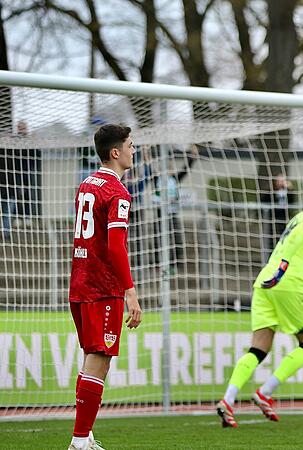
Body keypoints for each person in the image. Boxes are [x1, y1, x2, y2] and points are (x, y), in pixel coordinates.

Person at [216, 178, 303, 427]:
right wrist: (284, 266)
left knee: (258, 349)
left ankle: (228, 400)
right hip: (289, 283)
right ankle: (265, 392)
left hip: (265, 282)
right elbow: (298, 236)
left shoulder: (300, 214)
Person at [68, 124, 142, 450]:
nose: (133, 150)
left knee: (91, 359)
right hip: (102, 287)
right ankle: (79, 441)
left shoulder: (87, 183)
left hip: (80, 281)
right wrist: (131, 292)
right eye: (130, 145)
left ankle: (86, 436)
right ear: (116, 152)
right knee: (99, 359)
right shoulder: (117, 192)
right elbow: (115, 247)